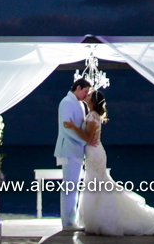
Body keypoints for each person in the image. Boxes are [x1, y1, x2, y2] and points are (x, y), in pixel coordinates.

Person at [64, 90, 154, 237]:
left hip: (95, 155)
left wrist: (73, 127)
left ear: (93, 101)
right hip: (94, 154)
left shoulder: (92, 116)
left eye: (90, 95)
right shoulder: (92, 115)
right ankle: (95, 218)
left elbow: (88, 138)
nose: (87, 96)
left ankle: (101, 220)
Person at [55, 78, 92, 229]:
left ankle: (72, 219)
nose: (86, 95)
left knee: (73, 186)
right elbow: (67, 127)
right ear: (78, 88)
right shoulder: (66, 102)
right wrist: (84, 141)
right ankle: (67, 222)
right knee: (69, 186)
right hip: (69, 150)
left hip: (76, 151)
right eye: (85, 91)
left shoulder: (79, 104)